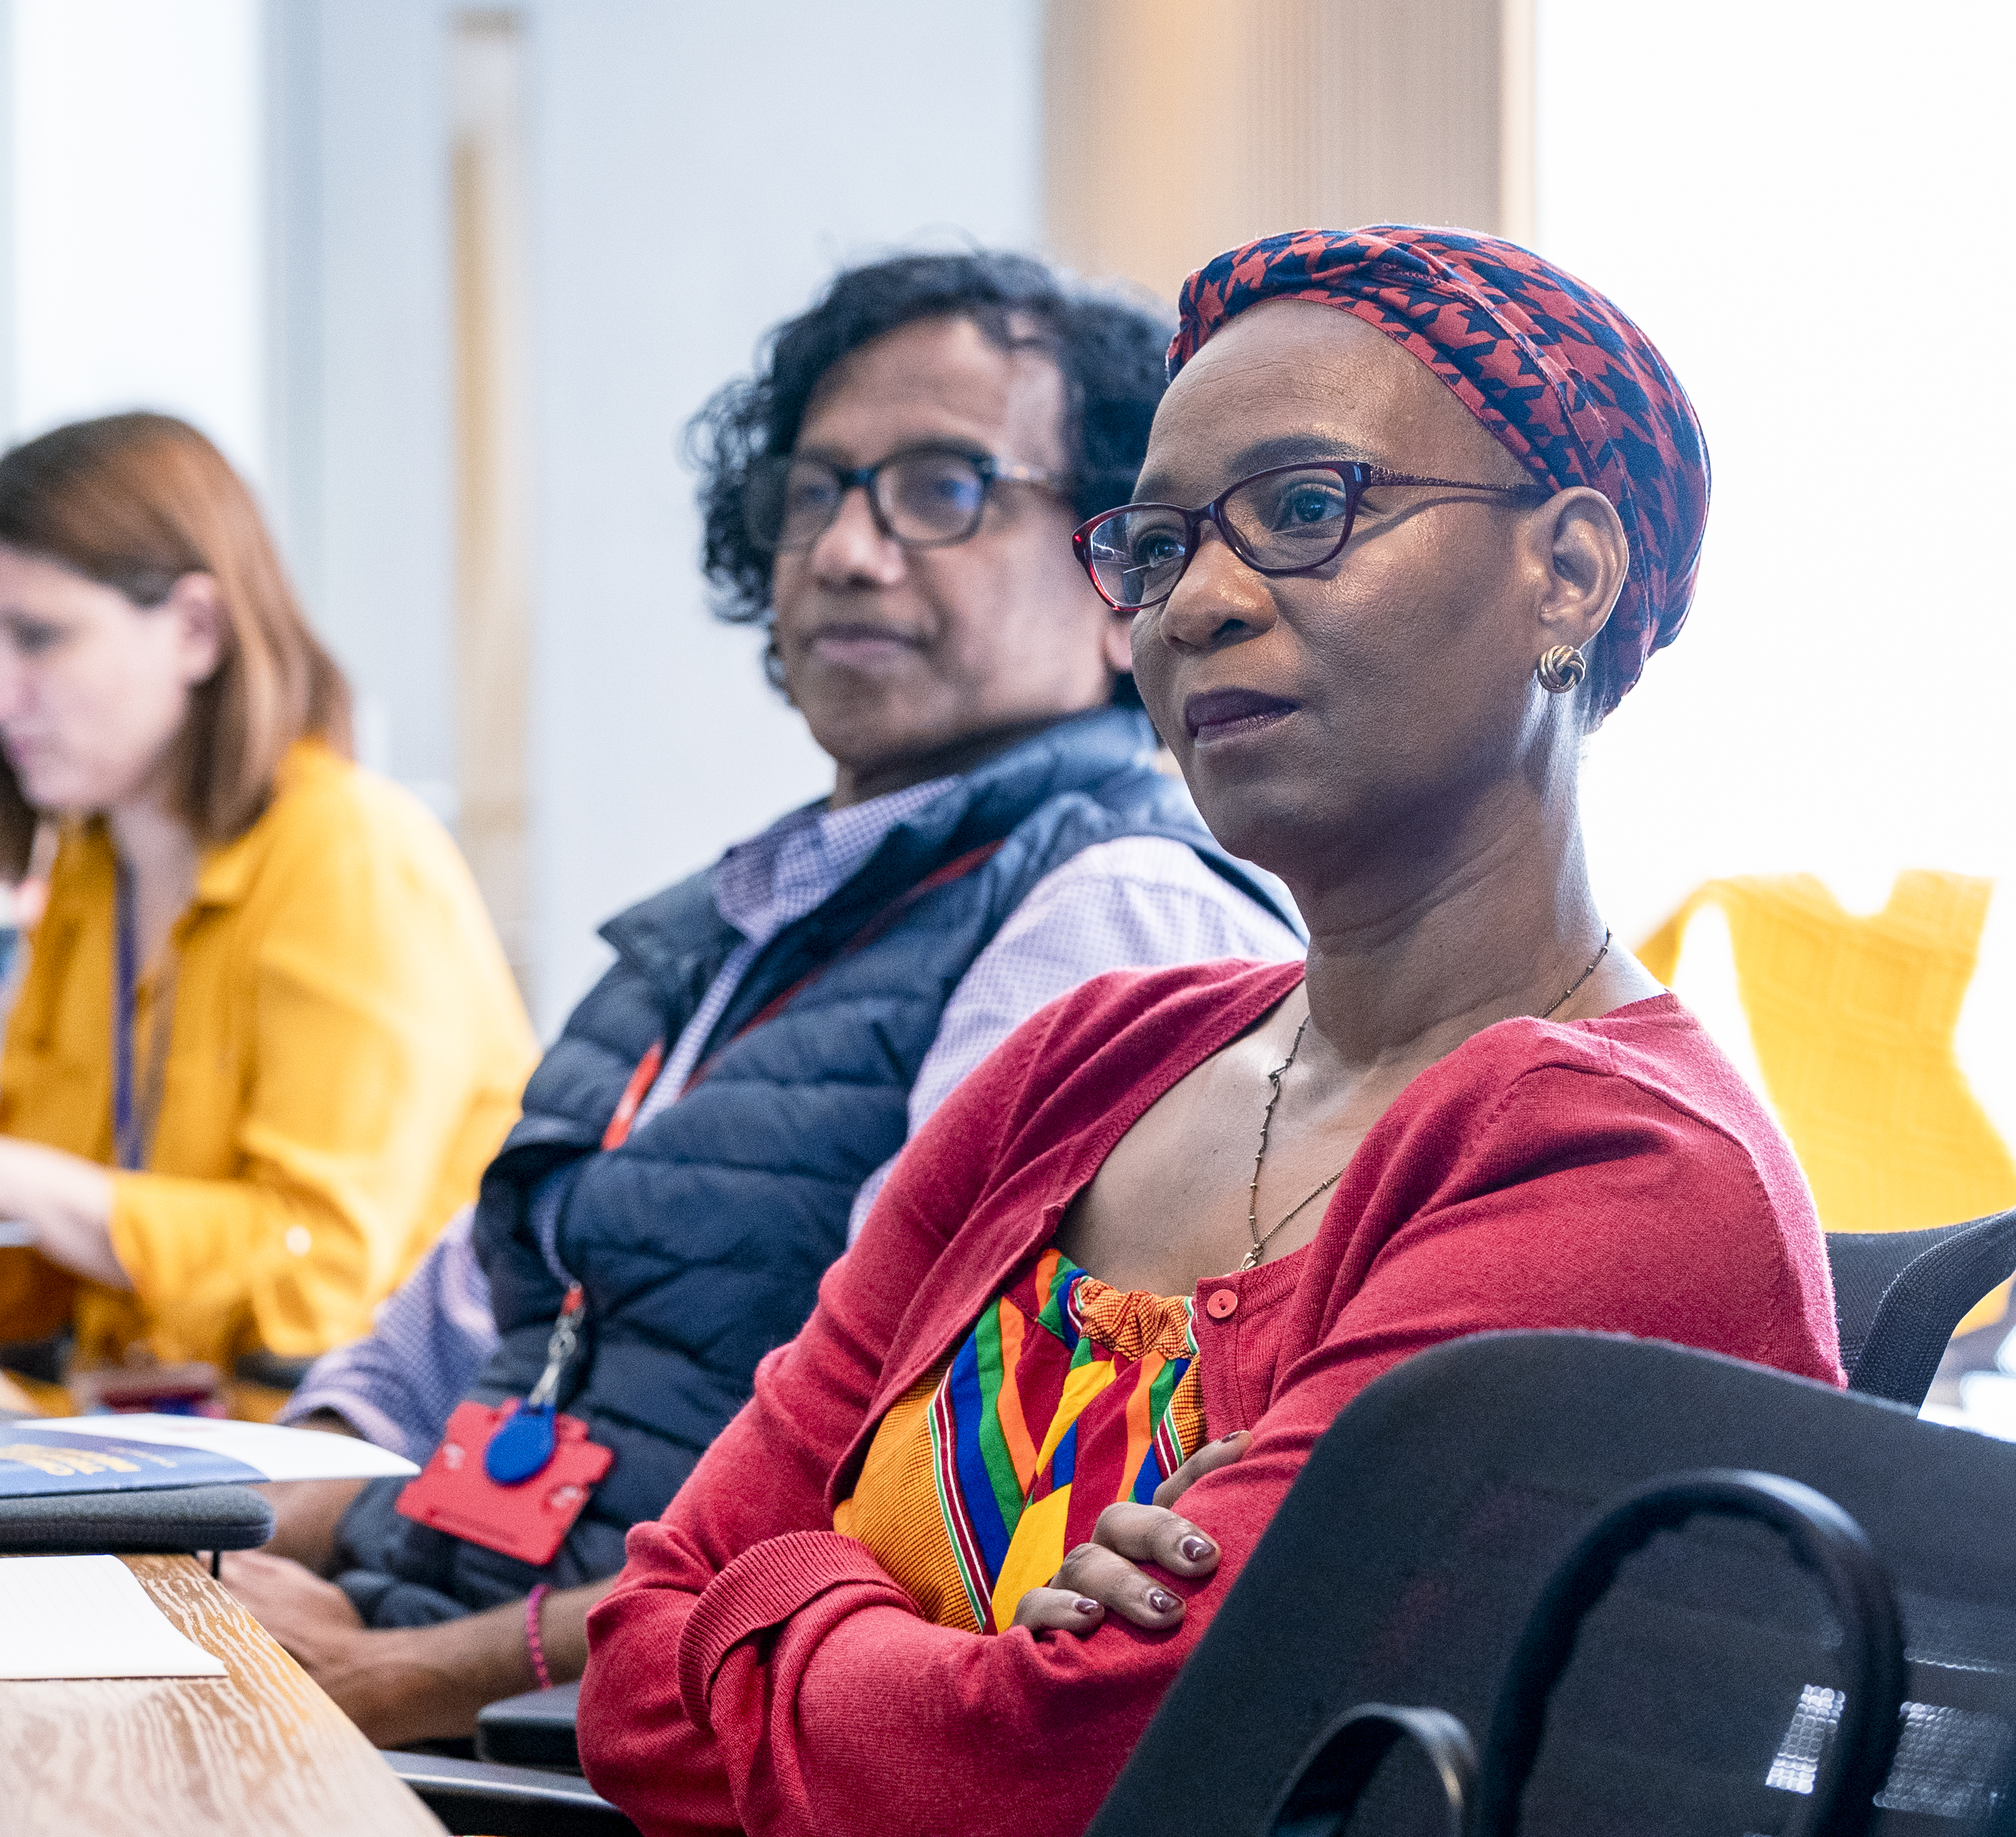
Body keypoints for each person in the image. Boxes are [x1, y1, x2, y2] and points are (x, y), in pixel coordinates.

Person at [576, 227, 1842, 1837]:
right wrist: (931, 1672)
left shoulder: (1619, 1165)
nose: (1196, 609)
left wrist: (794, 1603)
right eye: (1159, 549)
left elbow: (1064, 1768)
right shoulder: (1086, 1063)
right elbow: (633, 1645)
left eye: (1309, 512)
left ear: (1568, 574)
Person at [219, 252, 1302, 1746]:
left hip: (605, 1741)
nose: (847, 552)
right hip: (440, 1640)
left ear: (1119, 569)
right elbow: (446, 1331)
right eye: (814, 492)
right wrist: (228, 1527)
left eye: (940, 491)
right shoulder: (740, 916)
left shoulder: (1108, 911)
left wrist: (394, 1676)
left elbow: (899, 1496)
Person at [0, 413, 537, 1373]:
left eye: (38, 638)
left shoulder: (354, 855)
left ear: (196, 630)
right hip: (142, 1436)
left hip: (318, 1466)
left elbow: (319, 1280)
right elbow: (37, 1288)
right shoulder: (92, 867)